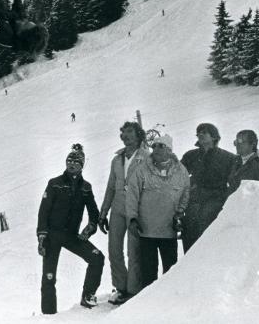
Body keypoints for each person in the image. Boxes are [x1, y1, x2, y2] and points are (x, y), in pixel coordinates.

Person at [37, 144, 104, 314]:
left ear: (82, 165)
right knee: (49, 277)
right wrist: (42, 236)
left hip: (72, 236)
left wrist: (89, 228)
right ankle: (49, 315)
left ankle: (88, 295)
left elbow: (94, 213)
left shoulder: (85, 188)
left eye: (76, 161)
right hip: (52, 235)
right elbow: (43, 211)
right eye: (69, 160)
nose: (72, 164)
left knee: (97, 258)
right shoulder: (54, 184)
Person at [127, 134, 189, 289]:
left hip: (168, 230)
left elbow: (185, 194)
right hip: (146, 231)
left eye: (160, 146)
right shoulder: (142, 170)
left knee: (170, 270)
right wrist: (133, 218)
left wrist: (180, 214)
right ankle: (148, 304)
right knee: (148, 272)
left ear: (169, 149)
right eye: (154, 146)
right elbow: (132, 195)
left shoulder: (181, 171)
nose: (156, 149)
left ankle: (167, 301)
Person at [98, 121, 150, 305]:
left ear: (138, 135)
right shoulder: (117, 159)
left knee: (133, 250)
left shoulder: (146, 157)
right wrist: (103, 212)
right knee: (114, 248)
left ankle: (134, 290)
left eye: (130, 132)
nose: (126, 136)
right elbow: (111, 186)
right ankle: (121, 286)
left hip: (136, 210)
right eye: (124, 133)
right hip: (118, 209)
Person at [180, 123, 239, 251]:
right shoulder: (191, 155)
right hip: (193, 202)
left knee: (208, 238)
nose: (200, 135)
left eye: (204, 132)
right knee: (190, 236)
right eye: (198, 132)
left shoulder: (229, 158)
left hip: (215, 202)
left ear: (214, 136)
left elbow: (234, 182)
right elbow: (178, 176)